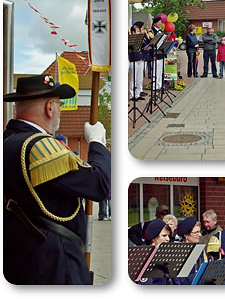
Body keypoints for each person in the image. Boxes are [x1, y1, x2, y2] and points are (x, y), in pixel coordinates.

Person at [3, 75, 111, 284]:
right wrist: (97, 142)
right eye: (60, 105)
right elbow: (101, 185)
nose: (60, 111)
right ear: (50, 107)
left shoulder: (9, 140)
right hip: (56, 262)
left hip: (25, 256)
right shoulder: (38, 144)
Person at [137, 219, 174, 285]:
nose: (168, 239)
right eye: (164, 235)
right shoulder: (145, 257)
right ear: (153, 238)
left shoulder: (163, 254)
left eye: (168, 236)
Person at [174, 217, 207, 284]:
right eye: (196, 233)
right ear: (186, 235)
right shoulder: (179, 251)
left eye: (199, 232)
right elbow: (180, 280)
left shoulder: (198, 249)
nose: (200, 235)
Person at [148, 16, 165, 90]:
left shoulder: (161, 31)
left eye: (161, 22)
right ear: (154, 23)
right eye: (159, 22)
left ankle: (160, 85)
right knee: (155, 71)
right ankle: (155, 86)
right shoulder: (151, 32)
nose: (160, 23)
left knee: (160, 70)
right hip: (155, 54)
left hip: (161, 53)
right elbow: (151, 45)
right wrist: (153, 54)